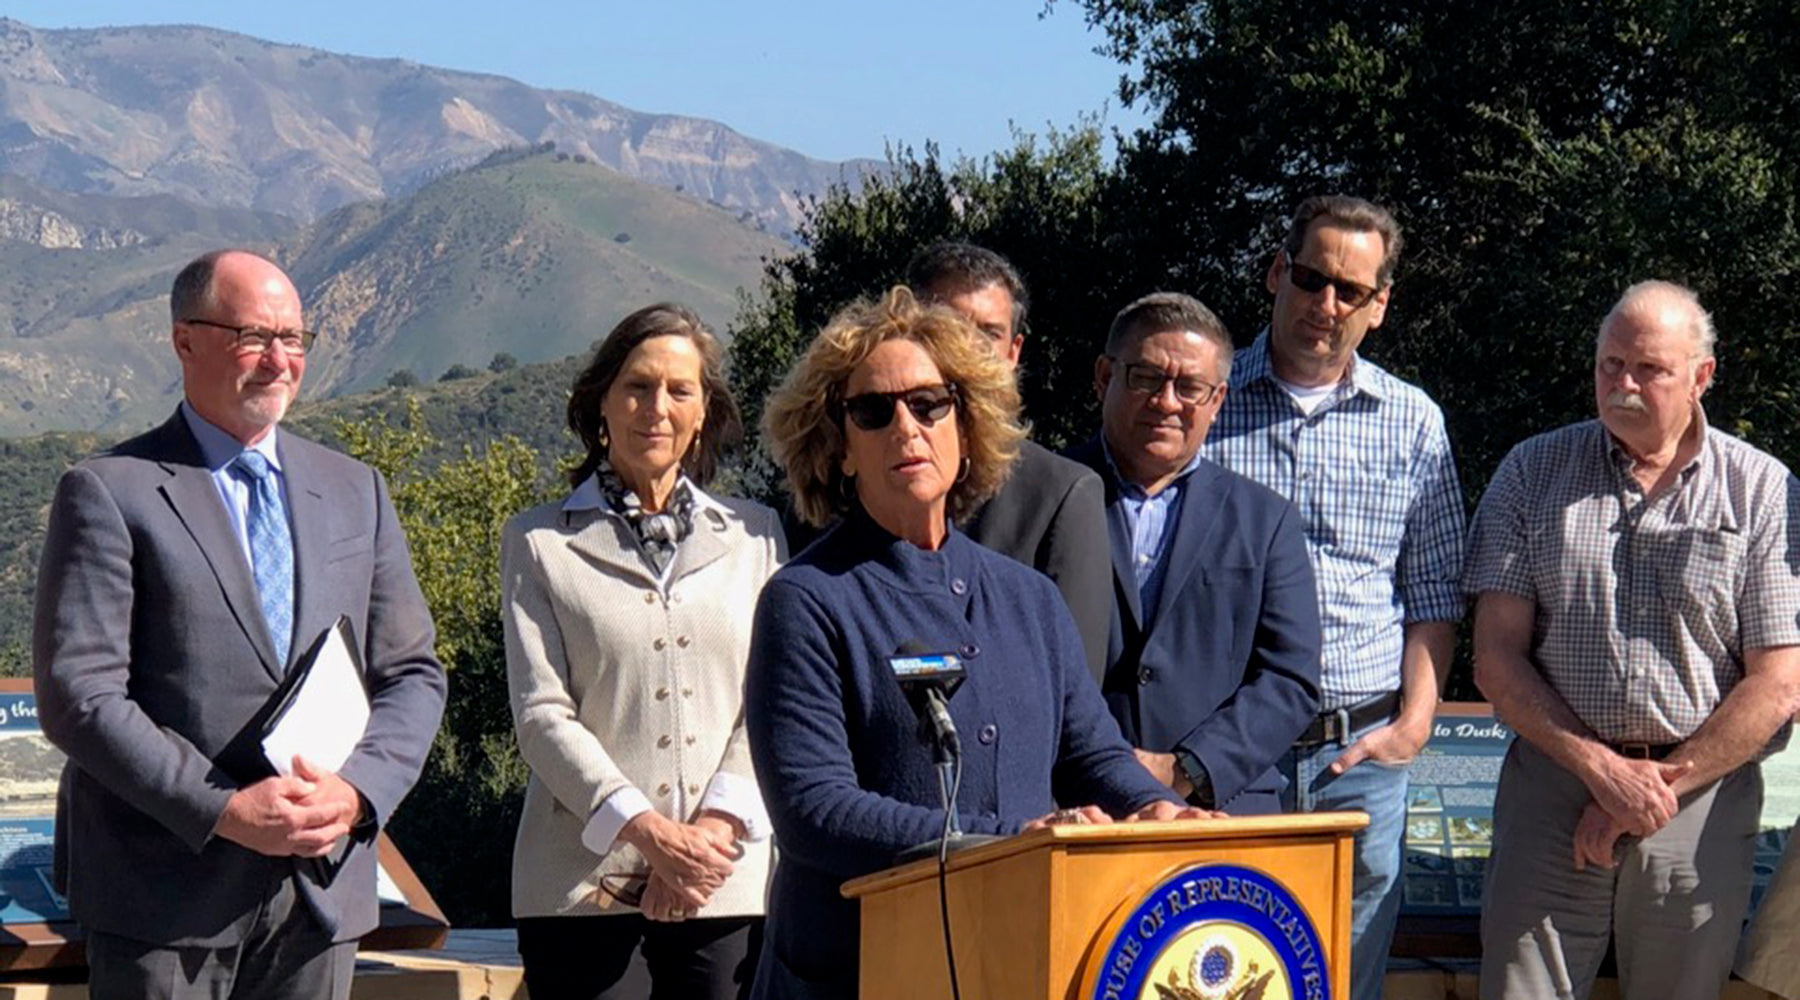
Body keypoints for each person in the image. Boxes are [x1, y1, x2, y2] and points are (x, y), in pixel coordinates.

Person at [746, 287, 1203, 999]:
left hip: (1016, 961)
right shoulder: (805, 600)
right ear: (840, 448)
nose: (906, 426)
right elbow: (816, 811)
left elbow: (1092, 755)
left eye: (929, 404)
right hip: (858, 973)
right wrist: (1008, 840)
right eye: (873, 411)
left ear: (968, 426)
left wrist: (1157, 810)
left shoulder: (1030, 599)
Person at [31, 249, 447, 1000]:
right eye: (254, 336)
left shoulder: (356, 490)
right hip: (164, 903)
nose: (280, 360)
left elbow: (412, 674)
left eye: (293, 339)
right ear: (185, 340)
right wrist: (223, 808)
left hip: (319, 896)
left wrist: (357, 794)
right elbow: (79, 695)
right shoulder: (109, 491)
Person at [1466, 281, 1800, 1000]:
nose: (1623, 385)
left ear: (1702, 376)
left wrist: (1649, 790)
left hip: (1701, 798)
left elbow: (1778, 683)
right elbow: (1494, 657)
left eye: (1649, 369)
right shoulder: (1531, 472)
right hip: (1555, 783)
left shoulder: (1764, 490)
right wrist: (1601, 771)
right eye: (1610, 365)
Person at [1202, 195, 1465, 998]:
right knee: (1216, 967)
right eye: (1311, 279)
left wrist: (1413, 727)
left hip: (1358, 756)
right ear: (1276, 273)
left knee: (1346, 981)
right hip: (1224, 753)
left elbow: (1433, 591)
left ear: (1379, 305)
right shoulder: (1203, 401)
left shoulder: (1413, 421)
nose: (1326, 304)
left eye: (1350, 290)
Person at [503, 303, 783, 1000]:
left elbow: (772, 699)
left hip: (724, 880)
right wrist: (648, 832)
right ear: (602, 401)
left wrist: (710, 833)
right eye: (637, 386)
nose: (657, 408)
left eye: (679, 390)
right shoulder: (539, 542)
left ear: (703, 412)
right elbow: (540, 714)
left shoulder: (756, 537)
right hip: (578, 889)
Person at [1069, 292, 1322, 815]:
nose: (1166, 402)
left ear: (1218, 399)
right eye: (1146, 378)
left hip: (1219, 807)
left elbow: (1291, 678)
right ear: (1104, 377)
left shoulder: (1265, 520)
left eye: (1189, 387)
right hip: (1073, 807)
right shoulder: (1043, 498)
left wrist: (1187, 768)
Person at [905, 241, 1112, 676]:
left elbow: (1072, 683)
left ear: (1014, 352)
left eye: (988, 334)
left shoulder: (1060, 496)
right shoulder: (844, 473)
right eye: (948, 326)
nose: (966, 349)